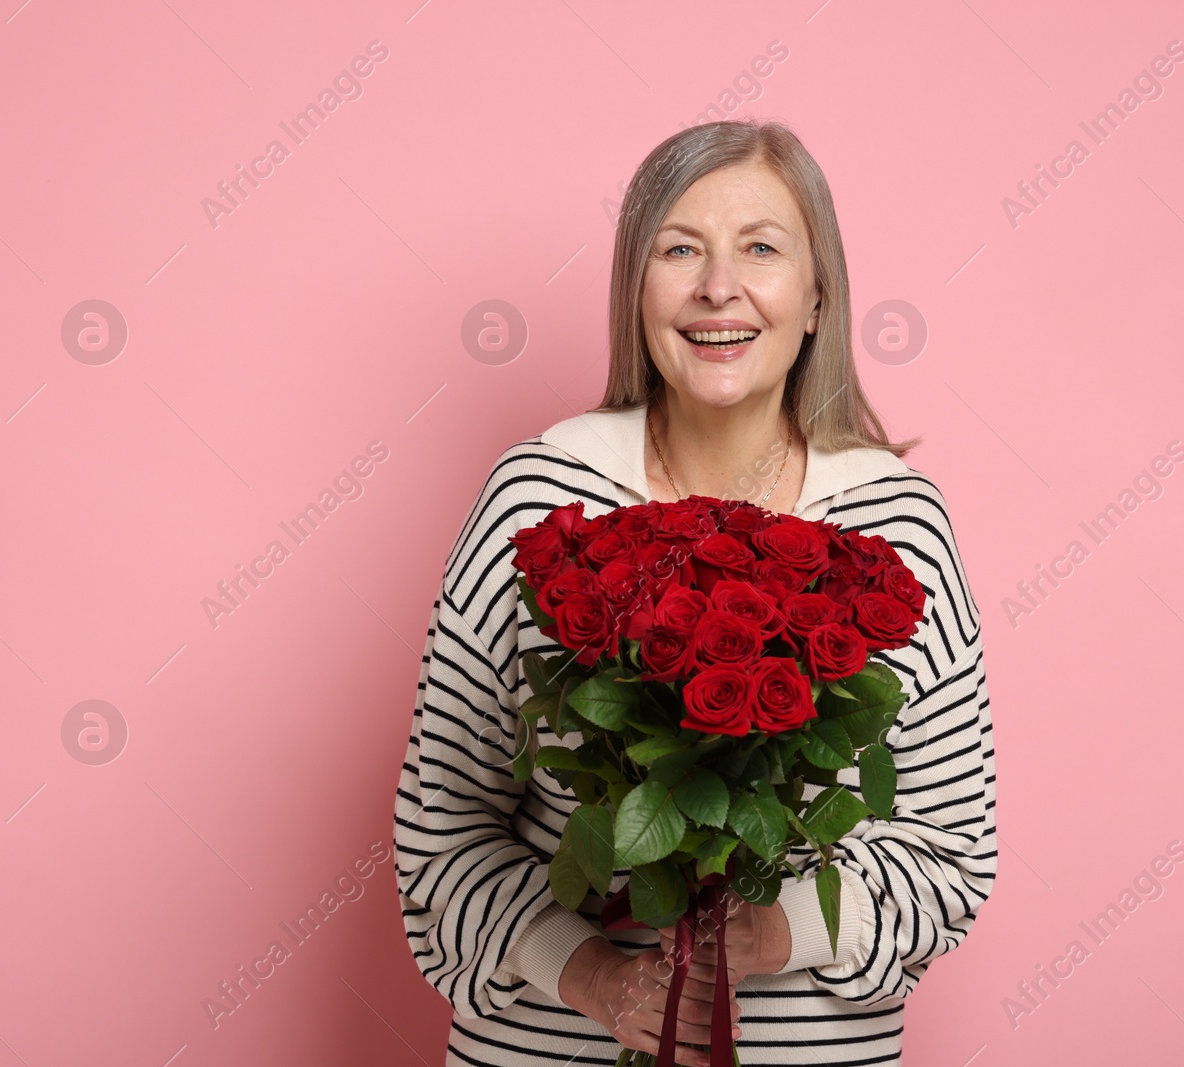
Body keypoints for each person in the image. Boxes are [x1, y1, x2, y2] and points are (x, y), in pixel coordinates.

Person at [393, 119, 997, 1066]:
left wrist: (773, 930)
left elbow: (951, 851)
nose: (720, 286)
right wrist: (594, 975)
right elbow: (440, 826)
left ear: (816, 299)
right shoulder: (539, 498)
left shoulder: (897, 523)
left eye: (761, 247)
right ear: (636, 291)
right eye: (681, 250)